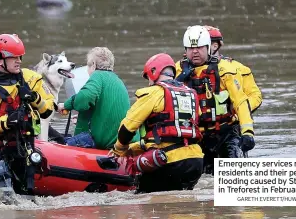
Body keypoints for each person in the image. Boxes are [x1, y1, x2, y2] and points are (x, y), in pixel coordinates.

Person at [0, 34, 54, 200]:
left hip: (23, 146)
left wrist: (35, 98)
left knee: (27, 196)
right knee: (4, 196)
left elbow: (48, 111)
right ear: (0, 60)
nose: (19, 61)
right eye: (13, 57)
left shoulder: (30, 78)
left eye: (20, 57)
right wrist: (5, 122)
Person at [110, 53, 204, 193]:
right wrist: (137, 147)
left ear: (154, 72)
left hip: (168, 161)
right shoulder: (190, 94)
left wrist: (119, 150)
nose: (148, 82)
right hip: (196, 161)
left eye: (148, 77)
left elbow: (127, 128)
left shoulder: (153, 93)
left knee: (143, 201)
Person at [175, 25, 256, 174]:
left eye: (199, 48)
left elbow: (241, 102)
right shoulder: (177, 72)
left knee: (234, 174)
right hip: (196, 137)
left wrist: (248, 132)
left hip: (226, 133)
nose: (195, 52)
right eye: (191, 48)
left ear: (208, 47)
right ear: (185, 50)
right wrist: (177, 82)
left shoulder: (226, 71)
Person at [56, 47, 140, 149]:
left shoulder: (97, 76)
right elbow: (106, 110)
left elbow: (84, 98)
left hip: (105, 143)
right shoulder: (118, 81)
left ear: (94, 65)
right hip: (123, 141)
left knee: (59, 142)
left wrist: (66, 105)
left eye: (88, 65)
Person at [204, 25, 262, 114]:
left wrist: (240, 111)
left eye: (201, 45)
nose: (196, 50)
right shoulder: (182, 68)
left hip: (230, 123)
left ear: (215, 46)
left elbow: (255, 96)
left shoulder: (236, 68)